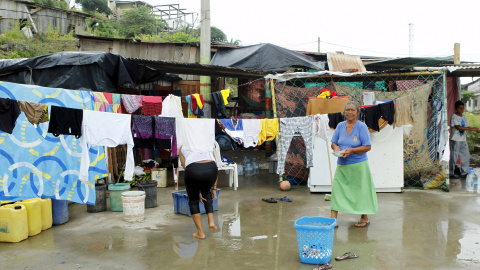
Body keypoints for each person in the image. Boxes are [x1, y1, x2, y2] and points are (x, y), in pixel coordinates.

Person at [330, 101, 378, 227]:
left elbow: (367, 147)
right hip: (342, 165)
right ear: (344, 112)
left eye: (352, 110)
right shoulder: (340, 126)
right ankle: (333, 221)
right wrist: (336, 148)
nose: (349, 112)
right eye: (347, 110)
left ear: (357, 112)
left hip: (358, 165)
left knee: (360, 192)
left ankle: (364, 217)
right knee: (337, 191)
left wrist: (352, 150)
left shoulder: (361, 127)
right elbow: (334, 142)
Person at [178, 146, 218, 239]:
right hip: (211, 169)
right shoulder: (207, 144)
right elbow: (215, 166)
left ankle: (200, 233)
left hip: (193, 170)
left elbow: (186, 167)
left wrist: (196, 190)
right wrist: (214, 188)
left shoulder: (182, 147)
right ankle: (211, 221)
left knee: (193, 200)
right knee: (207, 191)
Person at [449, 100, 480, 178]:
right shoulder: (454, 116)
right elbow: (458, 127)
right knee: (454, 156)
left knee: (466, 155)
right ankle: (450, 173)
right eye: (460, 108)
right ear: (456, 109)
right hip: (455, 139)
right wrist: (472, 129)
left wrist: (476, 129)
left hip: (463, 140)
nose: (461, 110)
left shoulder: (464, 117)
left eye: (463, 108)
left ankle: (464, 172)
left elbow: (467, 127)